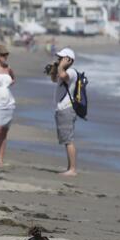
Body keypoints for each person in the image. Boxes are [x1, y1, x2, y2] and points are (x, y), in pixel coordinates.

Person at [48, 47, 78, 176]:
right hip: (62, 109)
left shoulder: (71, 72)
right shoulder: (63, 71)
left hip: (67, 109)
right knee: (66, 140)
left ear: (69, 60)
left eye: (62, 58)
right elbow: (55, 79)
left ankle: (72, 169)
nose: (59, 60)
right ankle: (70, 167)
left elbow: (63, 76)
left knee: (68, 140)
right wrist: (54, 69)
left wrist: (61, 67)